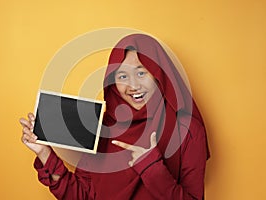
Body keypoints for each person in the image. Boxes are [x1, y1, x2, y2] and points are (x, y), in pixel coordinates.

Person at [19, 33, 210, 200]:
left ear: (158, 74)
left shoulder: (187, 130)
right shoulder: (104, 127)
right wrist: (45, 154)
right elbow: (84, 195)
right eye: (123, 76)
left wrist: (151, 166)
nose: (133, 86)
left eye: (141, 73)